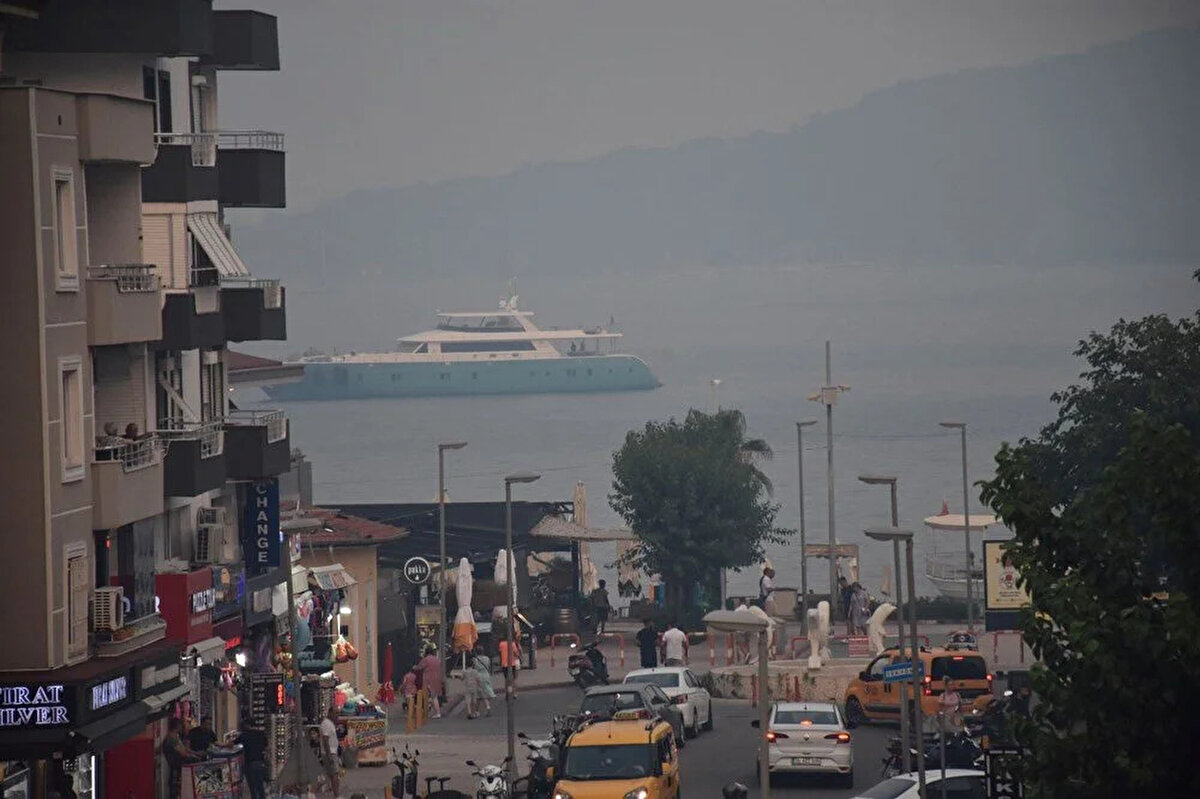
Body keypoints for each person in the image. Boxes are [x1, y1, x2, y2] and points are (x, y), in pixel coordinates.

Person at [163, 717, 201, 799]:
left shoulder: (176, 738)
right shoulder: (171, 740)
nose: (182, 728)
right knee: (175, 789)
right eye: (181, 726)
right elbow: (183, 753)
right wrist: (192, 756)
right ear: (177, 726)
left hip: (179, 768)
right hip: (176, 768)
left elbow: (184, 749)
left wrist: (195, 754)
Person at [235, 718, 269, 799]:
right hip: (260, 762)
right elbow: (266, 746)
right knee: (260, 785)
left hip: (250, 763)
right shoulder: (261, 734)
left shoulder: (244, 735)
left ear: (247, 725)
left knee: (252, 786)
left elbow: (232, 744)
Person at [415, 645, 444, 718]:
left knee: (427, 695)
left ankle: (429, 711)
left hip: (428, 680)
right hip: (437, 679)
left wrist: (414, 667)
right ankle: (437, 712)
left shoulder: (426, 659)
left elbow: (419, 667)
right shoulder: (437, 659)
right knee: (434, 697)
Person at [318, 705, 342, 798]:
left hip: (332, 752)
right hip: (330, 753)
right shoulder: (327, 724)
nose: (337, 715)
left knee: (329, 775)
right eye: (335, 713)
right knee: (334, 775)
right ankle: (337, 795)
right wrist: (329, 755)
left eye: (338, 713)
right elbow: (325, 740)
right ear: (330, 713)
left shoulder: (330, 723)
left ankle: (313, 792)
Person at [473, 644, 496, 716]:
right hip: (486, 675)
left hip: (478, 676)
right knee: (481, 693)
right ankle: (476, 711)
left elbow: (474, 668)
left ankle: (487, 707)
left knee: (481, 693)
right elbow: (488, 666)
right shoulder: (487, 658)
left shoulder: (475, 660)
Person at [498, 634, 522, 698]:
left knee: (506, 679)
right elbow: (516, 653)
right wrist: (520, 658)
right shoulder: (512, 644)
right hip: (512, 663)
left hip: (504, 664)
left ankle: (507, 692)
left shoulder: (501, 644)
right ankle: (514, 693)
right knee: (513, 679)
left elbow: (500, 654)